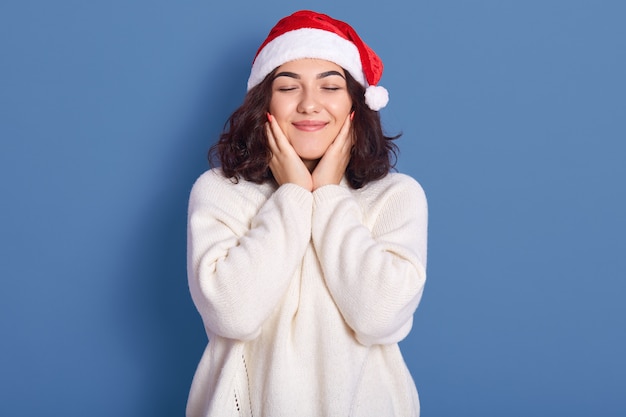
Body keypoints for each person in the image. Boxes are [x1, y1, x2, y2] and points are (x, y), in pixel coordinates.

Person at [186, 10, 428, 417]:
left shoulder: (397, 196)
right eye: (288, 87)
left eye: (330, 86)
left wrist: (330, 196)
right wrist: (295, 194)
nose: (310, 104)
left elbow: (378, 317)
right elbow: (233, 313)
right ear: (265, 103)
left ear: (355, 103)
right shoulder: (220, 192)